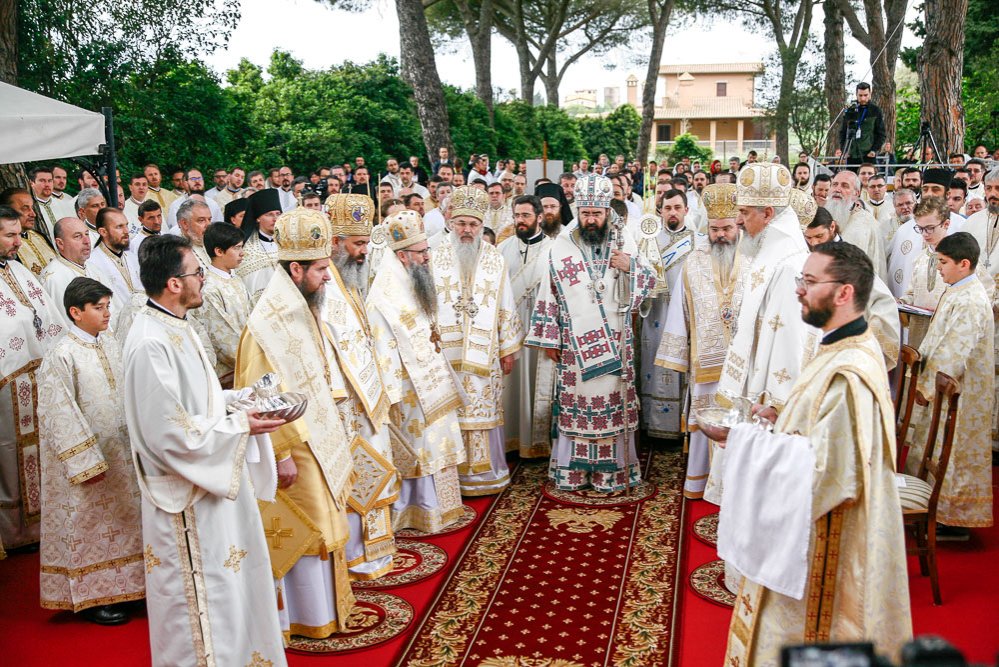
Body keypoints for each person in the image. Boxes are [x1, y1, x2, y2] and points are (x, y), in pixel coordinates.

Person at [724, 241, 911, 665]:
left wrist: (743, 448)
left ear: (844, 293)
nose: (799, 290)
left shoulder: (850, 373)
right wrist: (781, 415)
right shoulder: (840, 346)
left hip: (822, 551)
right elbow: (823, 433)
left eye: (809, 282)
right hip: (807, 537)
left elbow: (827, 478)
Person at [123, 234, 286, 666]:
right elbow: (169, 434)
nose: (203, 280)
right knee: (204, 604)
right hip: (186, 498)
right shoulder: (149, 342)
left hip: (211, 483)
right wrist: (240, 426)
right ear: (174, 284)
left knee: (234, 588)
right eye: (197, 272)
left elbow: (199, 402)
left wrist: (244, 400)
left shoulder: (176, 325)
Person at [235, 208, 357, 640]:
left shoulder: (303, 304)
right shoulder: (267, 322)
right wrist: (281, 453)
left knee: (326, 523)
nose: (328, 276)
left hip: (318, 437)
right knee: (307, 530)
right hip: (297, 449)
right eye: (322, 268)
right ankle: (306, 617)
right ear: (296, 268)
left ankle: (329, 609)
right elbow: (258, 390)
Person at [526, 174, 656, 493]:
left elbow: (654, 282)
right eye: (585, 213)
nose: (591, 219)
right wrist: (551, 338)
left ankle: (611, 474)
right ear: (578, 211)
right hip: (574, 346)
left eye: (597, 214)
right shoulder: (562, 245)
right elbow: (548, 292)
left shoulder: (625, 241)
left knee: (612, 407)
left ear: (607, 212)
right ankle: (572, 471)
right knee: (576, 409)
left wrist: (631, 267)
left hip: (615, 340)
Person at [37, 277, 144, 624]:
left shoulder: (110, 342)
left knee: (126, 520)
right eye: (99, 308)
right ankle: (96, 596)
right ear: (76, 312)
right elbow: (59, 413)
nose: (107, 313)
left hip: (122, 454)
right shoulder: (61, 355)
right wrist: (85, 461)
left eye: (108, 306)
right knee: (92, 527)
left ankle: (133, 587)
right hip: (90, 460)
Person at [366, 210, 468, 532]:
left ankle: (445, 506)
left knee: (439, 442)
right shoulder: (383, 296)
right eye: (422, 252)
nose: (428, 257)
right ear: (402, 256)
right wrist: (392, 397)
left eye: (427, 250)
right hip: (410, 388)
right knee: (421, 448)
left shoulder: (413, 278)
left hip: (431, 376)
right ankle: (419, 511)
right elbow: (382, 348)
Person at [320, 194, 400, 579]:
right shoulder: (325, 288)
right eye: (357, 244)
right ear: (335, 244)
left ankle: (377, 548)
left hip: (367, 394)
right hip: (347, 402)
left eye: (366, 243)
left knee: (375, 464)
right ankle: (357, 553)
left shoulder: (349, 281)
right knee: (358, 471)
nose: (364, 252)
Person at [430, 186, 522, 496]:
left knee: (483, 408)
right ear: (449, 221)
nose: (467, 231)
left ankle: (485, 476)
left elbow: (506, 303)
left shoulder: (495, 258)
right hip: (443, 354)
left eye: (473, 225)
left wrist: (508, 348)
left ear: (481, 225)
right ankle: (450, 479)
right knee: (448, 413)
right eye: (461, 224)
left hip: (485, 354)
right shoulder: (432, 254)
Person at [906, 232, 994, 538]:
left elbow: (955, 351)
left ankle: (948, 518)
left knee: (951, 451)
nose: (939, 268)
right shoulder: (958, 291)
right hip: (946, 389)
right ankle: (930, 508)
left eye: (943, 262)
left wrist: (926, 387)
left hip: (960, 393)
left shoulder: (971, 299)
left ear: (964, 263)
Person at [716, 163, 819, 425]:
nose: (738, 221)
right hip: (756, 378)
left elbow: (790, 340)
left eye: (744, 212)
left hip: (770, 400)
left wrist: (776, 403)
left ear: (769, 213)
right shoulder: (770, 253)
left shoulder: (788, 266)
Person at [657, 184, 742, 499]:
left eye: (727, 228)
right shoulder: (694, 261)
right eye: (715, 229)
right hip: (704, 360)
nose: (720, 235)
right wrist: (677, 355)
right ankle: (701, 480)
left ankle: (735, 484)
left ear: (738, 225)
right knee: (706, 417)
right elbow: (679, 307)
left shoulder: (754, 260)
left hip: (741, 364)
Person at [0, 207, 66, 552]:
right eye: (9, 235)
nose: (17, 241)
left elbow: (45, 316)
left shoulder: (19, 268)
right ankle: (13, 533)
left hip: (38, 377)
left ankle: (45, 524)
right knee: (9, 452)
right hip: (7, 383)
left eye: (18, 234)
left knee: (41, 447)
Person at [498, 195, 556, 460]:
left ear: (540, 218)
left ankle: (538, 443)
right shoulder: (502, 249)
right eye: (517, 216)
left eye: (526, 216)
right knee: (512, 386)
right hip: (511, 329)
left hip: (541, 329)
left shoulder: (556, 249)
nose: (520, 221)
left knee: (538, 381)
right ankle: (511, 441)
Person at [638, 188, 697, 440]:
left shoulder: (698, 242)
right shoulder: (648, 242)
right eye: (667, 208)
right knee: (653, 363)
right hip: (655, 314)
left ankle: (679, 425)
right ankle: (653, 425)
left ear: (686, 210)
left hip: (685, 317)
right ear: (660, 211)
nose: (672, 212)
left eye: (677, 207)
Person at [901, 196, 993, 349]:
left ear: (946, 224)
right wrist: (903, 302)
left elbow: (985, 295)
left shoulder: (960, 257)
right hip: (919, 333)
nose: (924, 234)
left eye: (930, 228)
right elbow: (912, 293)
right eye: (920, 228)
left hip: (952, 334)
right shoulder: (920, 259)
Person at [189, 222, 251, 389]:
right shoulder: (208, 289)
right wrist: (255, 358)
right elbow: (222, 338)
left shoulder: (236, 279)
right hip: (231, 374)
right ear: (219, 251)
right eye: (237, 248)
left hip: (250, 359)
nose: (242, 253)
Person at [826, 170, 887, 280]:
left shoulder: (867, 224)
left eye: (845, 186)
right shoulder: (825, 217)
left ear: (857, 193)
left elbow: (875, 265)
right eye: (834, 185)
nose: (837, 189)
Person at [87, 207, 143, 303]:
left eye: (126, 225)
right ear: (103, 232)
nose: (126, 231)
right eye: (119, 227)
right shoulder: (92, 264)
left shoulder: (132, 257)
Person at [237, 188, 282, 305]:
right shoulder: (246, 248)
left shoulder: (289, 244)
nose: (275, 218)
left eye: (278, 214)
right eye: (269, 214)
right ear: (257, 218)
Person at [0, 187, 56, 276]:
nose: (33, 214)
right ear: (8, 210)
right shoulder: (7, 248)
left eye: (32, 208)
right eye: (25, 208)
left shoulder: (40, 236)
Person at [839, 82, 886, 164]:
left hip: (868, 155)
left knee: (868, 175)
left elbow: (881, 133)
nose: (863, 98)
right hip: (852, 154)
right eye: (860, 95)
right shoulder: (850, 110)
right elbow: (843, 132)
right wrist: (844, 150)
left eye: (865, 95)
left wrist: (874, 150)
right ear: (856, 94)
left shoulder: (875, 110)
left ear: (870, 94)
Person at [885, 188, 920, 299]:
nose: (905, 207)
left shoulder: (923, 225)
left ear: (916, 203)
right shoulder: (884, 227)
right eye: (900, 205)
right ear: (894, 208)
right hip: (894, 276)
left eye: (909, 203)